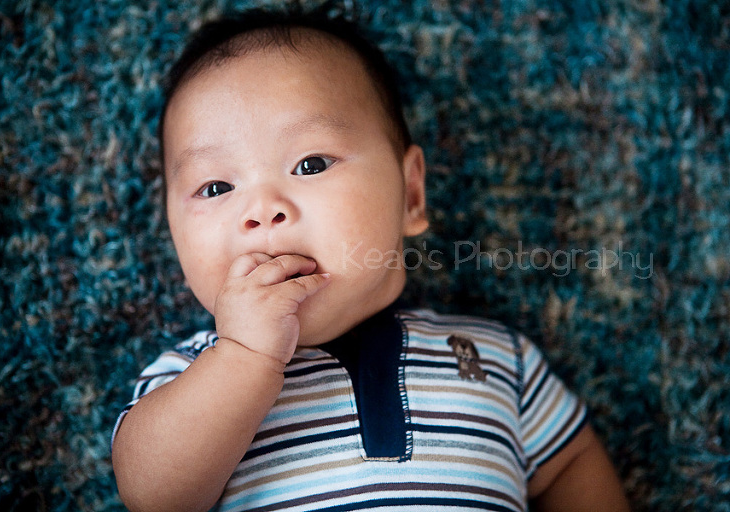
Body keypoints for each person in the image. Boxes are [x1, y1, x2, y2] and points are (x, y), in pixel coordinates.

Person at [111, 7, 630, 512]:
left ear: (410, 195)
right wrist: (243, 357)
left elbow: (569, 462)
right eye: (215, 186)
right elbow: (153, 496)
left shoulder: (495, 359)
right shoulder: (188, 379)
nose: (262, 210)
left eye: (310, 164)